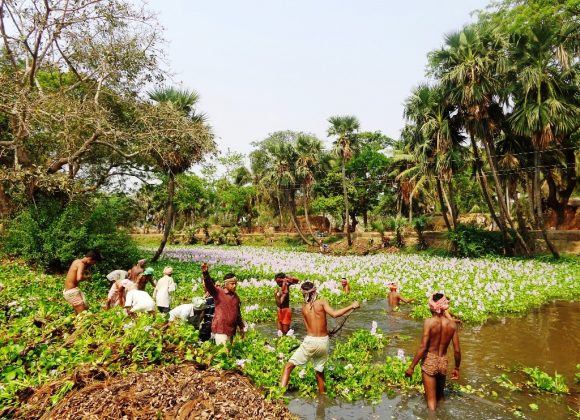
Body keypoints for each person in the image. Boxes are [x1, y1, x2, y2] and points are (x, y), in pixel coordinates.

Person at [280, 281, 360, 393]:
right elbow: (334, 314)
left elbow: (309, 328)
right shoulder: (322, 302)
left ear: (303, 294)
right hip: (324, 342)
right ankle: (323, 400)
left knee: (288, 367)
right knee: (319, 372)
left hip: (311, 341)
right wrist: (352, 306)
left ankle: (279, 395)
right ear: (315, 291)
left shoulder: (304, 308)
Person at [405, 293, 461, 411]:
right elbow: (457, 350)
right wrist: (457, 368)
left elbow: (423, 347)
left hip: (430, 360)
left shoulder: (429, 322)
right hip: (443, 362)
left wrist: (411, 367)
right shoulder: (452, 324)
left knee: (431, 403)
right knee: (440, 397)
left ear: (432, 307)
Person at [201, 262, 244, 346]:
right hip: (220, 329)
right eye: (232, 284)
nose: (234, 286)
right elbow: (209, 285)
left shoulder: (236, 297)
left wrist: (241, 327)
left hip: (231, 330)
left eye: (235, 283)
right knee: (223, 353)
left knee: (228, 353)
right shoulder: (218, 292)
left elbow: (238, 314)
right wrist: (205, 273)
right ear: (226, 284)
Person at [63, 250, 102, 314]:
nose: (93, 264)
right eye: (93, 262)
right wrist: (87, 277)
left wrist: (86, 271)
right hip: (72, 292)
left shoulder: (77, 261)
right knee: (83, 314)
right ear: (90, 259)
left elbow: (76, 270)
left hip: (69, 291)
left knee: (82, 309)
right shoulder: (81, 264)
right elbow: (79, 278)